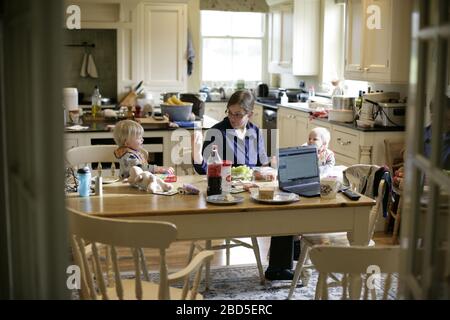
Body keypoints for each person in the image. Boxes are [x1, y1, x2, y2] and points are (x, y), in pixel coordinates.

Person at [192, 90, 295, 281]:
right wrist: (197, 156)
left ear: (250, 114)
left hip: (250, 191)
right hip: (226, 194)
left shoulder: (256, 132)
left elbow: (262, 164)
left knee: (286, 210)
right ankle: (284, 259)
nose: (232, 117)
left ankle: (278, 267)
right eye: (230, 112)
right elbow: (203, 169)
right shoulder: (217, 131)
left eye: (238, 114)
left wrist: (271, 167)